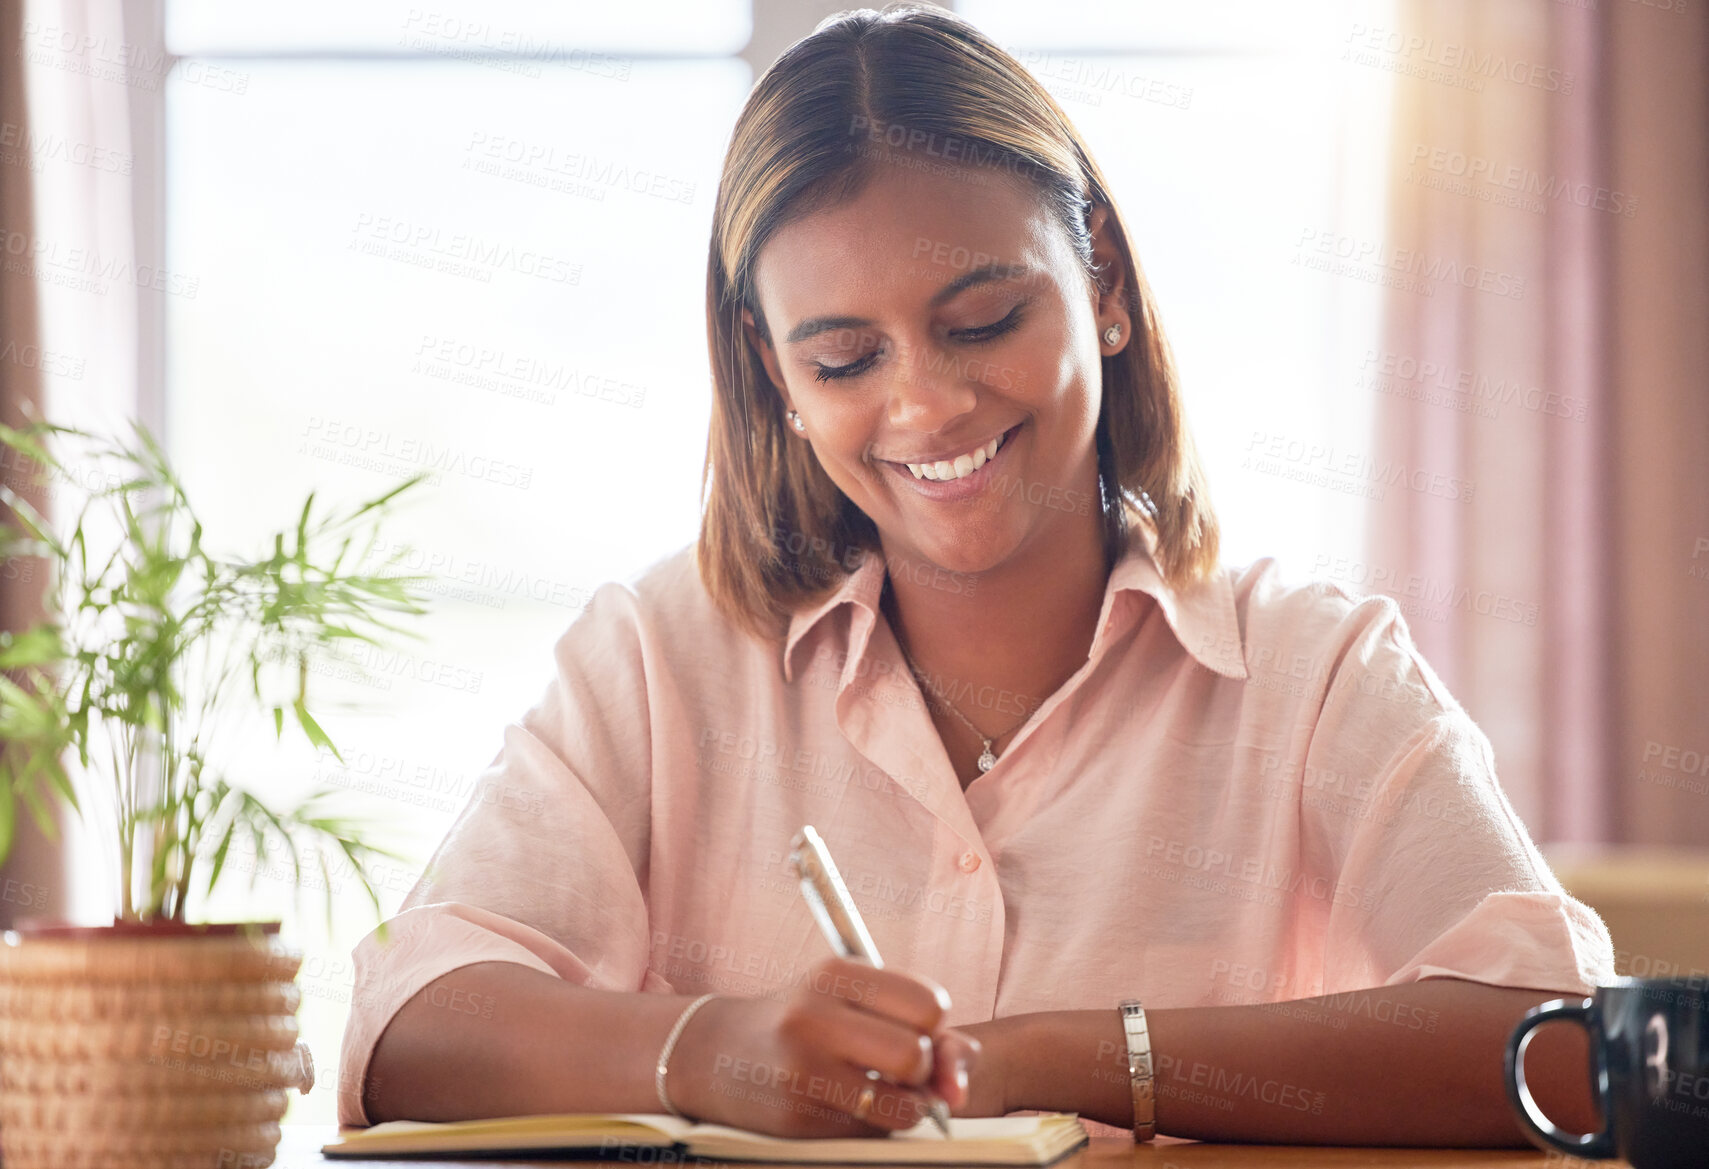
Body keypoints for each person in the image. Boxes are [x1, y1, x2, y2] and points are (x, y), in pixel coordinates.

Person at [337, 3, 1616, 1146]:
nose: (928, 404)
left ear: (1100, 281)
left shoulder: (1311, 670)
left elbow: (1553, 1049)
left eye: (983, 322)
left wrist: (1068, 1058)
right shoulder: (659, 656)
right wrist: (700, 1048)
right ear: (770, 370)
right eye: (843, 359)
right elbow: (407, 1015)